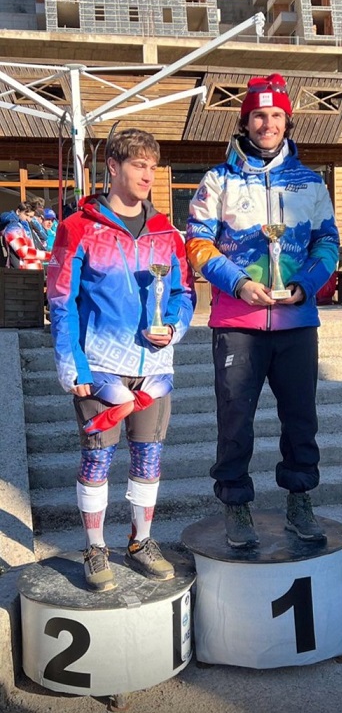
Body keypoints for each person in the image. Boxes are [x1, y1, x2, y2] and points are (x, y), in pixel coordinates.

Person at [185, 73, 340, 548]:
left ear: (287, 122)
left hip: (296, 319)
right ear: (245, 121)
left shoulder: (311, 182)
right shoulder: (218, 180)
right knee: (235, 419)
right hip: (238, 322)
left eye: (275, 115)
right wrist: (239, 283)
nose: (267, 124)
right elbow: (197, 244)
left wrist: (304, 285)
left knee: (301, 418)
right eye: (258, 115)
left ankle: (299, 499)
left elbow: (328, 244)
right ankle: (235, 503)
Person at [47, 128, 195, 592]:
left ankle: (140, 541)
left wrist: (173, 327)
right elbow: (61, 301)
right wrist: (71, 365)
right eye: (138, 165)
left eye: (153, 166)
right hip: (100, 368)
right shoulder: (78, 227)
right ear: (113, 166)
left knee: (149, 459)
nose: (148, 175)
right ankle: (95, 547)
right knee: (96, 459)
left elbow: (184, 293)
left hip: (154, 369)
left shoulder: (167, 232)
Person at [1, 202, 50, 270]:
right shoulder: (13, 227)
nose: (28, 219)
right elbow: (24, 252)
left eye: (31, 217)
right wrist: (49, 255)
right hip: (21, 272)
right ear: (18, 212)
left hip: (32, 271)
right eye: (26, 215)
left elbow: (38, 245)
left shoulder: (27, 227)